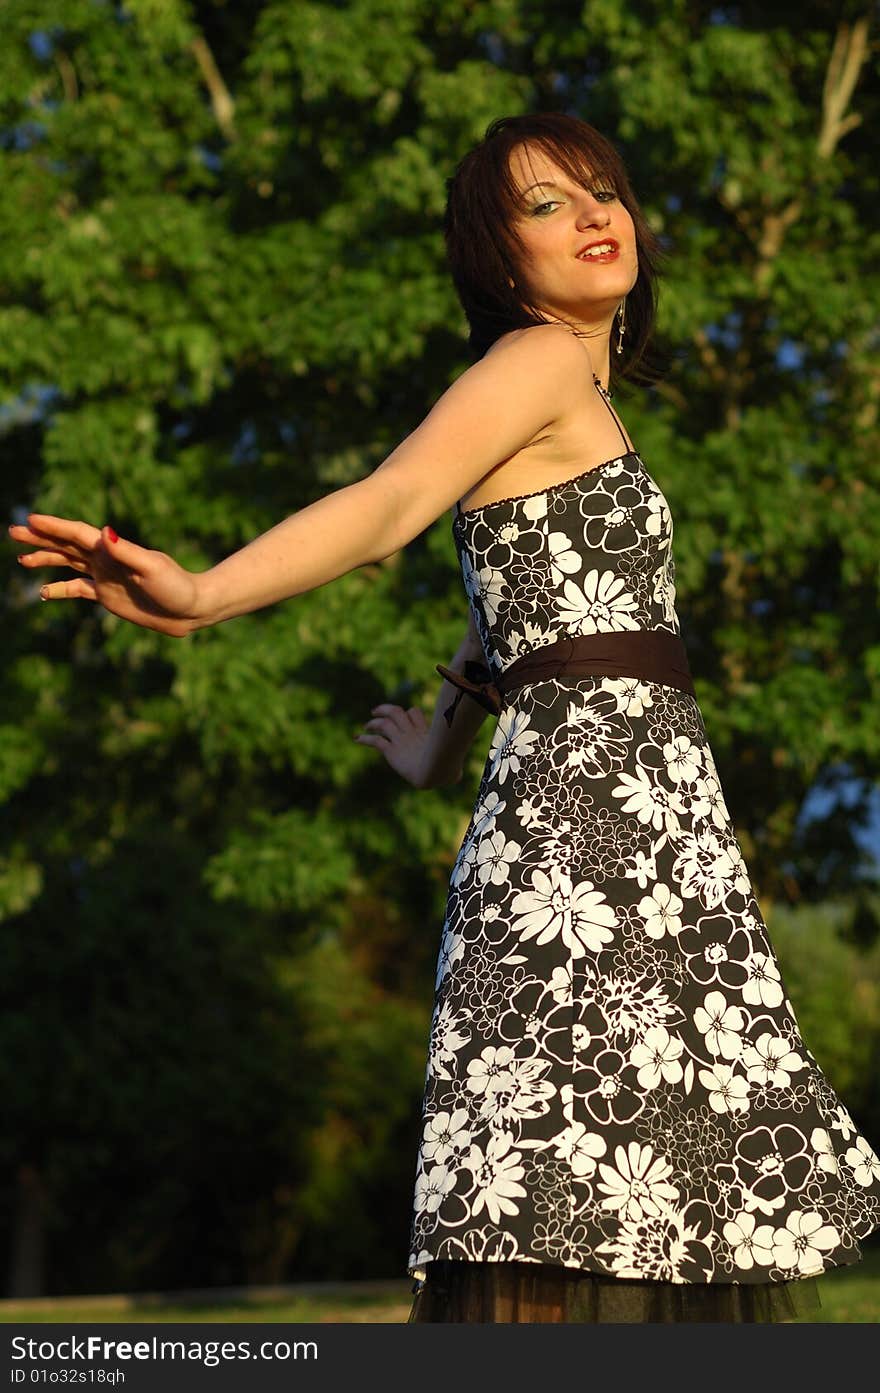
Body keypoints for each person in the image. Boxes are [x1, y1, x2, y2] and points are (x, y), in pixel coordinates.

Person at [9, 113, 880, 1323]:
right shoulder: (537, 361)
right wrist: (203, 595)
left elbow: (508, 610)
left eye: (601, 191)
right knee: (570, 1177)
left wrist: (438, 734)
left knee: (627, 1169)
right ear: (495, 256)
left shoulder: (571, 388)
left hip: (636, 816)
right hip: (596, 825)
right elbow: (394, 499)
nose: (591, 216)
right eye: (544, 205)